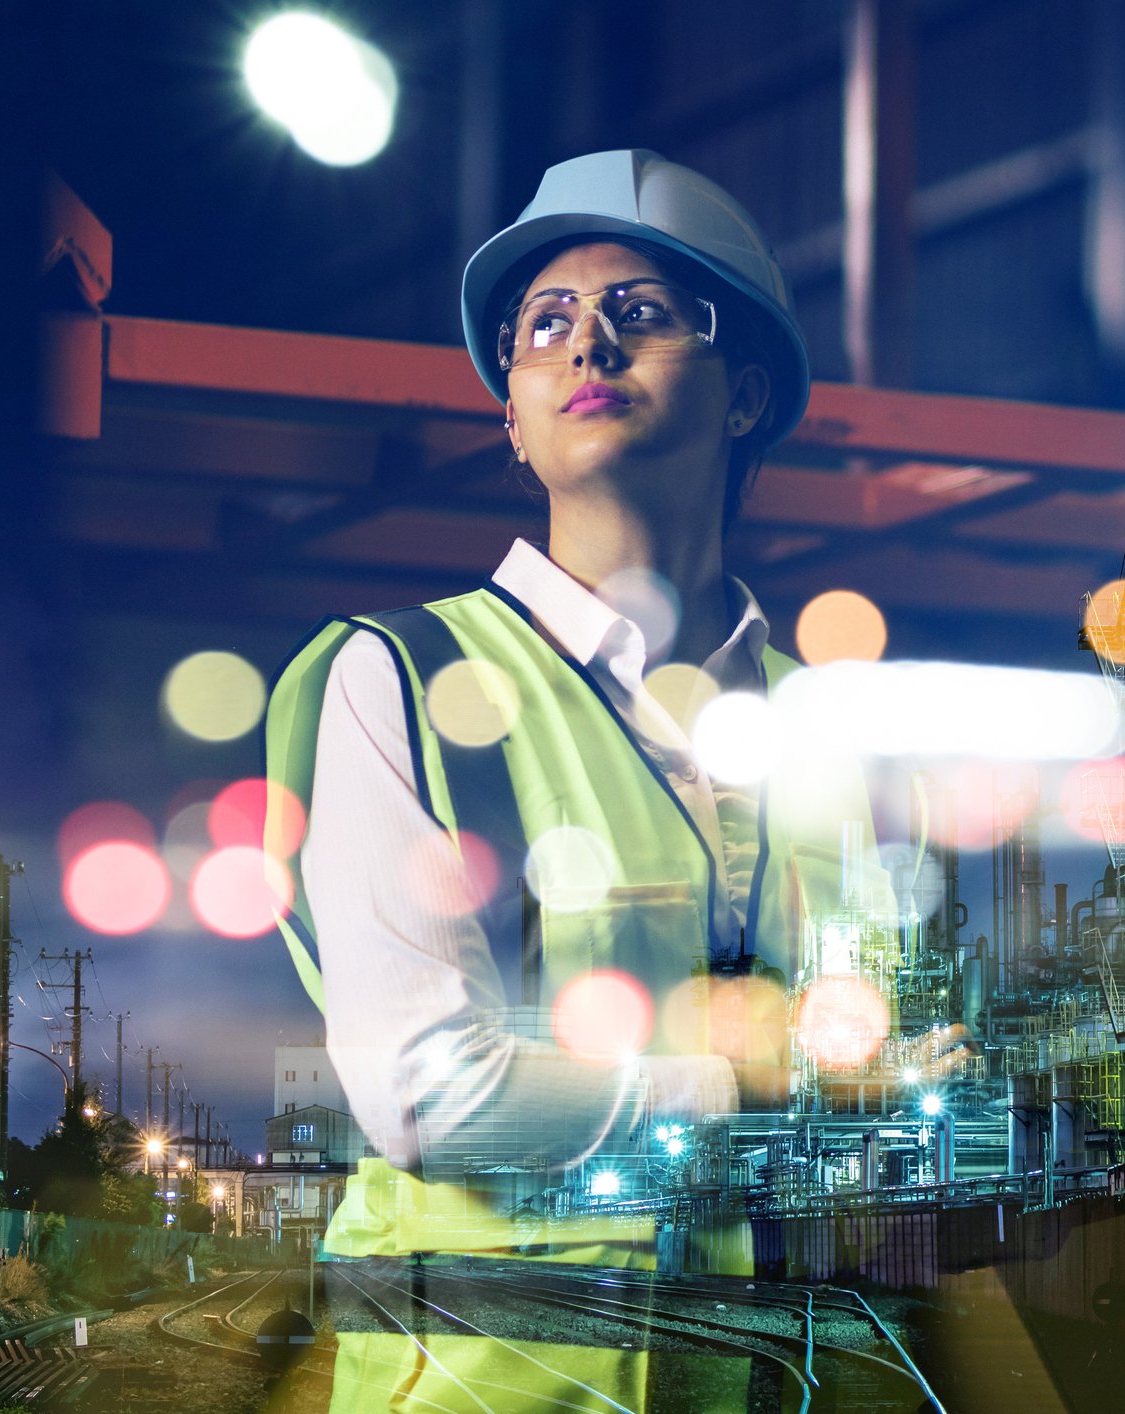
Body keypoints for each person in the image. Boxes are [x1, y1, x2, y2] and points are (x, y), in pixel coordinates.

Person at [263, 150, 889, 1269]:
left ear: (746, 392)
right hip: (492, 1383)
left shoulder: (832, 729)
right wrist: (741, 1086)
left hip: (776, 1373)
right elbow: (426, 1093)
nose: (587, 342)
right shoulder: (395, 679)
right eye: (545, 323)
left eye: (640, 312)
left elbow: (878, 1054)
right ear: (511, 415)